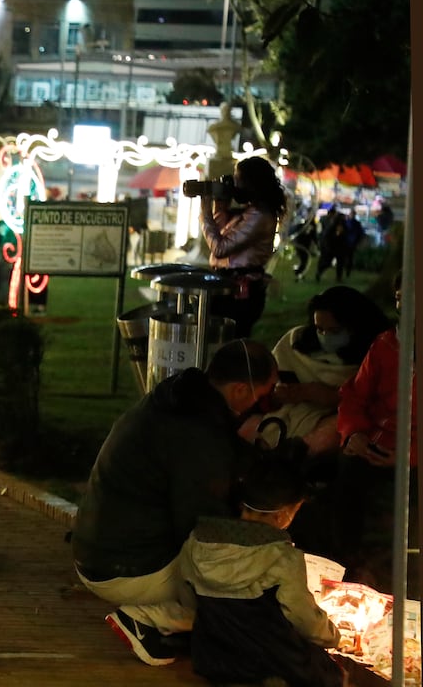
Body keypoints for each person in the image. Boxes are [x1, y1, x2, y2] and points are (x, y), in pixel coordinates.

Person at [71, 339, 278, 666]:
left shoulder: (180, 398)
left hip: (101, 553)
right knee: (248, 595)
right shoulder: (196, 432)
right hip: (124, 567)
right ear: (240, 389)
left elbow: (222, 453)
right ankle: (150, 616)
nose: (262, 405)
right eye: (263, 396)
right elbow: (206, 531)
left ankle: (165, 618)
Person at [179, 440, 345, 687]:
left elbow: (186, 592)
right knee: (332, 675)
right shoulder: (282, 556)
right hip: (266, 658)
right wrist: (333, 637)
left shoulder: (198, 539)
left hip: (212, 656)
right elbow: (303, 617)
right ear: (282, 514)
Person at [331, 273, 417, 587]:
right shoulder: (385, 346)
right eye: (400, 299)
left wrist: (409, 456)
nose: (405, 307)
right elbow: (354, 395)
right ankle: (348, 568)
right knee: (347, 480)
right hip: (375, 444)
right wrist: (354, 433)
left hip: (412, 454)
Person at [246, 286, 392, 456]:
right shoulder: (295, 342)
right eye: (319, 329)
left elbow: (369, 401)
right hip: (282, 413)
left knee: (334, 430)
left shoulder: (373, 354)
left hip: (331, 422)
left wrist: (329, 396)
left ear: (355, 326)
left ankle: (292, 455)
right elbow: (266, 384)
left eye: (334, 331)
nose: (325, 336)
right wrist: (277, 396)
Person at [200, 155, 287, 338]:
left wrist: (205, 213)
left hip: (241, 293)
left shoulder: (260, 215)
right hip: (228, 287)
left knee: (232, 344)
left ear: (252, 183)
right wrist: (220, 205)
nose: (235, 186)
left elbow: (220, 249)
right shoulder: (249, 211)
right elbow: (221, 233)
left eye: (238, 180)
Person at [315, 210, 351, 283]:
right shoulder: (332, 226)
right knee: (328, 262)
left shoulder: (343, 226)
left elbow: (345, 235)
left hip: (340, 247)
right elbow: (327, 236)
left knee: (340, 263)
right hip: (333, 247)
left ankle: (338, 277)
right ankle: (319, 272)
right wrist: (334, 237)